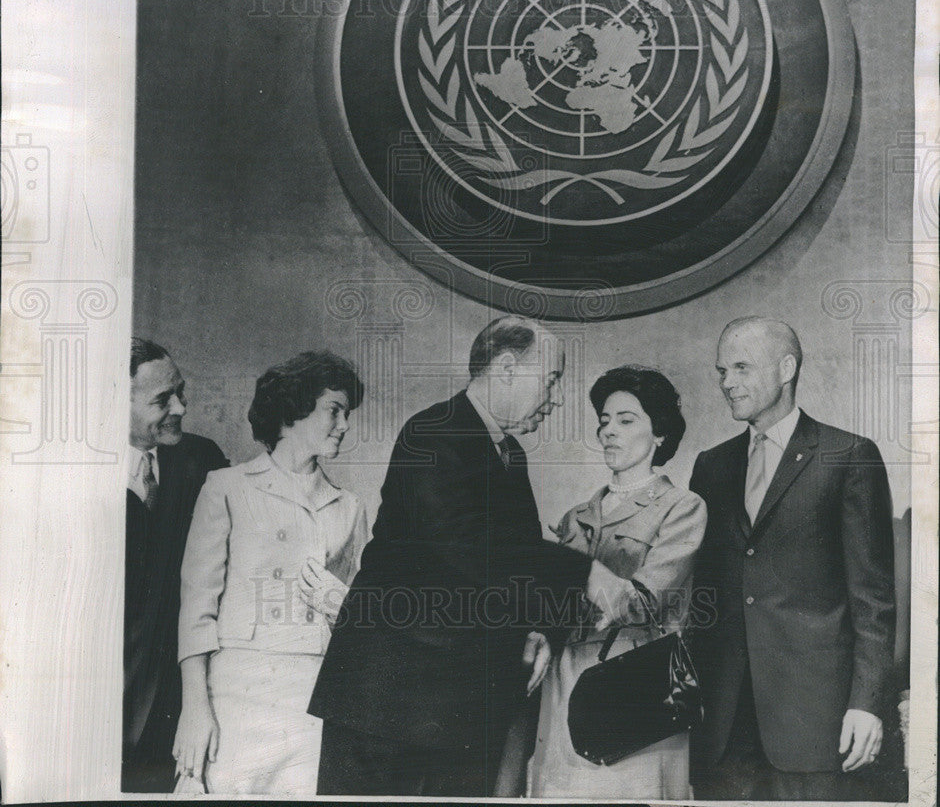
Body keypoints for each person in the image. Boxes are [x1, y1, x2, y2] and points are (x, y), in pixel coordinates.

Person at [309, 316, 635, 797]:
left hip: (458, 705)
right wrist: (587, 573)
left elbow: (508, 566)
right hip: (388, 705)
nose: (557, 396)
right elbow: (467, 547)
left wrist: (540, 627)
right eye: (551, 379)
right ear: (505, 369)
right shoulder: (432, 433)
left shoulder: (510, 453)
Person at [690, 317, 896, 801]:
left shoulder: (848, 456)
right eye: (722, 371)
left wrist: (866, 705)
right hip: (723, 725)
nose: (727, 383)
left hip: (815, 724)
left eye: (741, 367)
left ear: (786, 368)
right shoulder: (711, 465)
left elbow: (874, 601)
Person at [173, 350, 369, 796]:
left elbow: (361, 619)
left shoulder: (350, 508)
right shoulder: (226, 487)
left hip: (315, 697)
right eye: (334, 411)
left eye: (347, 414)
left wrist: (345, 607)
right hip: (236, 693)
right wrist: (194, 708)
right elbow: (196, 607)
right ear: (294, 410)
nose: (345, 425)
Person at [527, 365, 707, 799]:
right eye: (605, 421)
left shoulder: (682, 508)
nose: (609, 431)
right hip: (564, 678)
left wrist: (576, 575)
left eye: (627, 420)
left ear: (659, 433)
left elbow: (644, 603)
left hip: (637, 682)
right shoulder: (576, 516)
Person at [123, 338, 228, 792]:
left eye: (180, 392)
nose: (181, 408)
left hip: (180, 703)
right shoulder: (70, 477)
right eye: (163, 399)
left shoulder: (201, 461)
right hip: (105, 706)